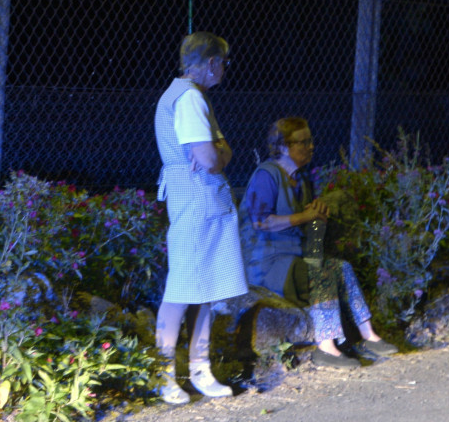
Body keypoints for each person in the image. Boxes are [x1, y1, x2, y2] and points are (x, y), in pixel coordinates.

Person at [240, 117, 398, 368]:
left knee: (341, 267)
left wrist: (317, 213)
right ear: (282, 147)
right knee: (322, 272)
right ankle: (326, 348)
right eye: (302, 142)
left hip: (295, 259)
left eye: (310, 141)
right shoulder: (266, 176)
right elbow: (260, 222)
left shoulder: (301, 179)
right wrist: (306, 215)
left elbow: (307, 224)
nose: (310, 147)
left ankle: (368, 335)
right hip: (268, 265)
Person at [153, 31, 248, 403]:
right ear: (211, 63)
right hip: (197, 199)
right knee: (181, 289)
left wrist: (218, 150)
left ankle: (199, 368)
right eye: (224, 62)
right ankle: (163, 373)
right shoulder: (190, 99)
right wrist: (219, 153)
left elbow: (219, 148)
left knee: (203, 286)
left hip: (197, 198)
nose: (225, 69)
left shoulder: (184, 95)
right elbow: (211, 158)